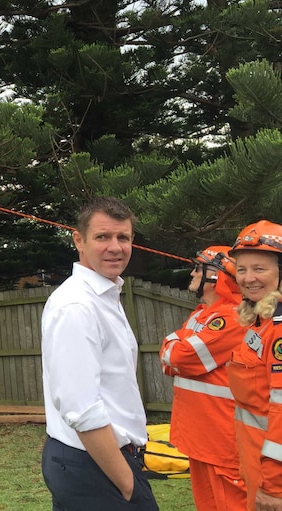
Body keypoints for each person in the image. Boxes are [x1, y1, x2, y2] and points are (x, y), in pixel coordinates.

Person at [40, 196, 159, 511]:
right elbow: (82, 410)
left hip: (92, 461)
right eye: (103, 236)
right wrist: (127, 484)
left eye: (123, 237)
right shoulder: (77, 306)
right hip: (94, 465)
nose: (115, 247)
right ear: (78, 239)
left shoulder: (105, 295)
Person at [159, 246, 247, 511]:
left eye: (199, 267)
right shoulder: (201, 314)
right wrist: (176, 351)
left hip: (221, 439)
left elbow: (179, 357)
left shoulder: (233, 318)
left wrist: (174, 344)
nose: (192, 272)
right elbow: (172, 361)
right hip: (199, 436)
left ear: (216, 276)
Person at [227, 220, 282, 511]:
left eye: (259, 269)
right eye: (242, 269)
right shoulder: (261, 323)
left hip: (273, 479)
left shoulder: (279, 330)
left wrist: (273, 487)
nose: (248, 278)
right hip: (255, 463)